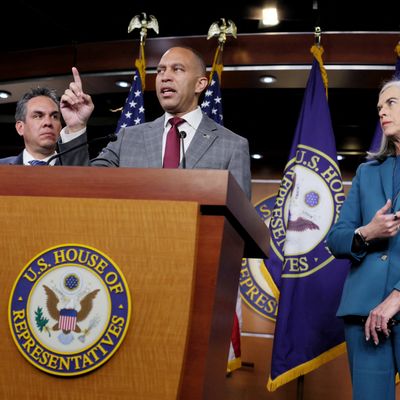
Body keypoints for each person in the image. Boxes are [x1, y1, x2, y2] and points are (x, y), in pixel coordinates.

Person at [59, 46, 252, 199]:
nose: (165, 77)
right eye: (160, 71)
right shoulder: (128, 138)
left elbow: (240, 220)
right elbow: (84, 185)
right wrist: (76, 127)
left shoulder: (232, 146)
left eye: (177, 69)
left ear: (200, 84)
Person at [327, 77, 400, 400]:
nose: (382, 112)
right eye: (379, 107)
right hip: (364, 315)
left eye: (391, 104)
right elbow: (337, 238)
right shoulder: (368, 173)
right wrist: (367, 233)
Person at [0, 87, 87, 166]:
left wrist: (76, 127)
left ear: (60, 127)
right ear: (20, 128)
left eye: (54, 117)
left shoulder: (76, 166)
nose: (48, 122)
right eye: (38, 116)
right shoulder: (2, 167)